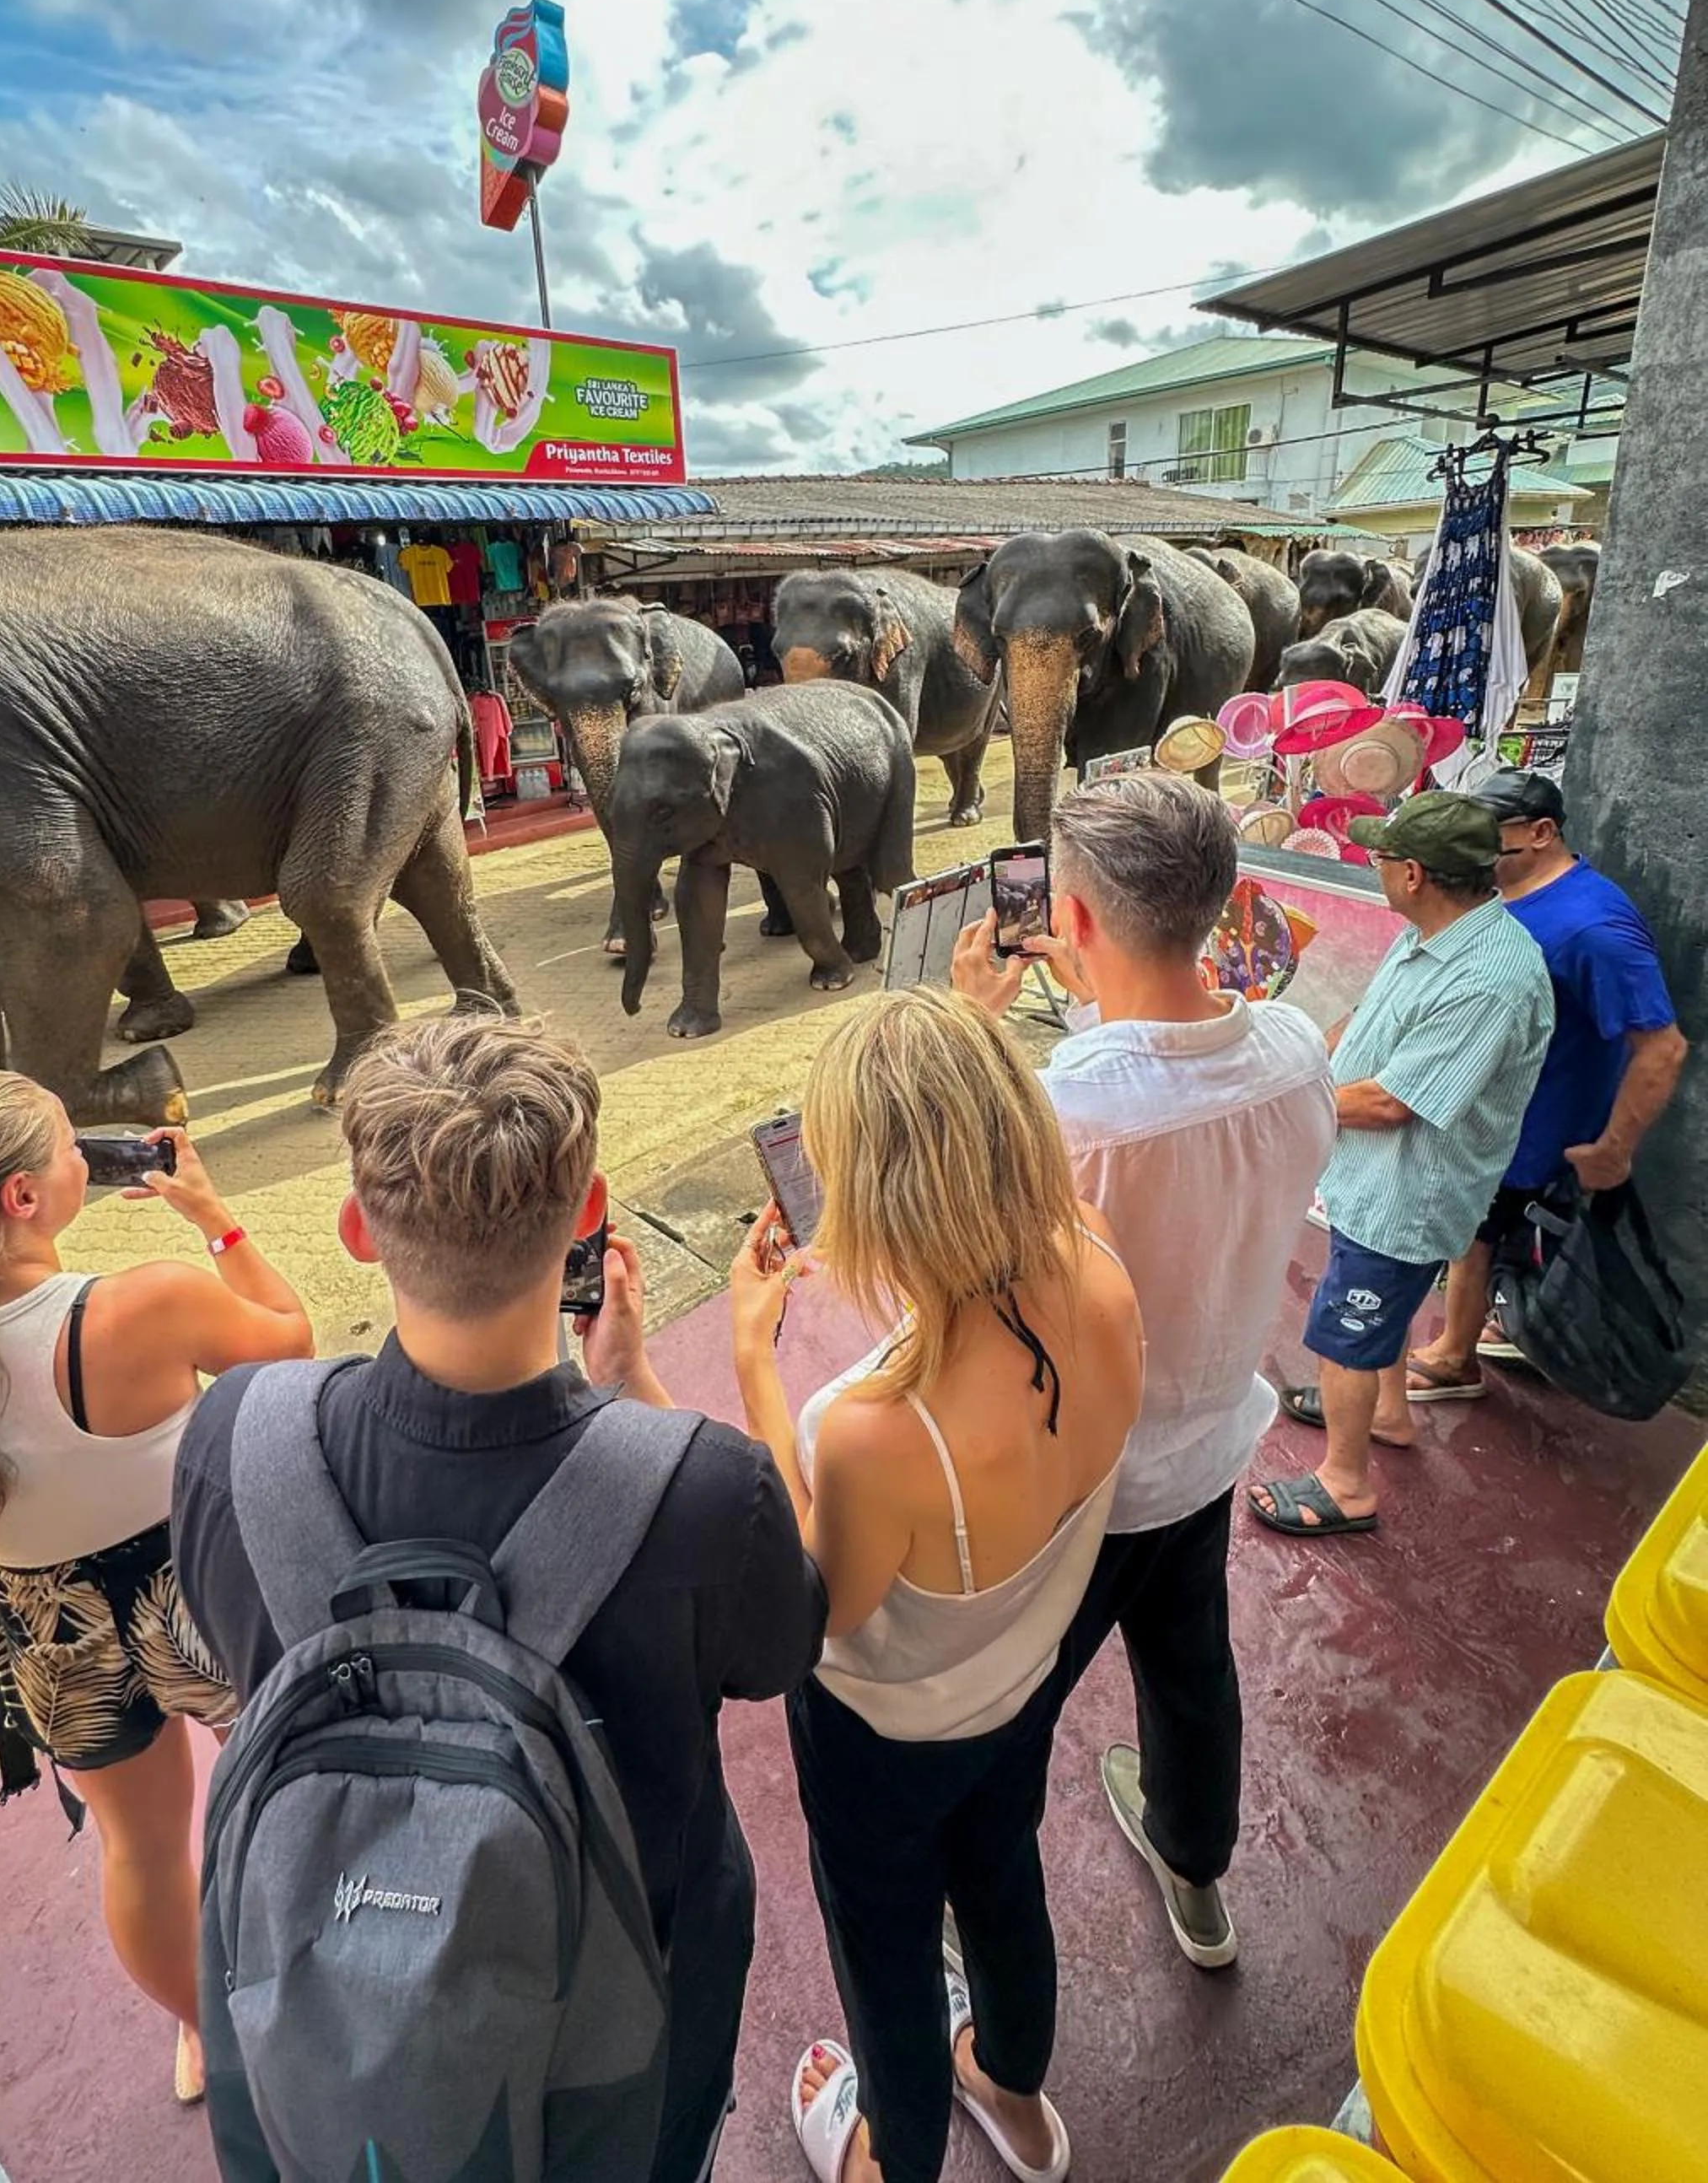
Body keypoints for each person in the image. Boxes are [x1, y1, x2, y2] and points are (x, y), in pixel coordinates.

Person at [171, 1014, 825, 2183]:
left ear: (356, 1232)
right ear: (589, 1212)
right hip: (629, 2002)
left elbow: (235, 1652)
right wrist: (637, 1393)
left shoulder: (236, 1436)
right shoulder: (702, 1489)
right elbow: (782, 1652)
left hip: (318, 1987)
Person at [0, 1075, 313, 2103]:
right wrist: (215, 1218)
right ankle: (336, 1973)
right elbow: (291, 1341)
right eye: (65, 1144)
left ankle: (205, 2032)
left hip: (45, 1625)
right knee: (291, 1785)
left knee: (139, 1847)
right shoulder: (143, 1303)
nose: (86, 1153)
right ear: (22, 1199)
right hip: (198, 1590)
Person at [725, 989, 1145, 2183]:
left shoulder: (869, 1430)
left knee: (885, 1942)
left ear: (872, 1197)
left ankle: (893, 2152)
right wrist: (949, 1044)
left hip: (885, 1737)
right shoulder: (1098, 1257)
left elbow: (813, 1615)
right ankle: (1013, 2092)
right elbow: (1000, 1174)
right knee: (1003, 1878)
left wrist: (753, 1362)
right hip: (1022, 1686)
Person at [953, 772, 1335, 1973]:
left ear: (1065, 922)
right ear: (1219, 903)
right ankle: (1195, 1866)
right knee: (1188, 1667)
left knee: (1008, 1707)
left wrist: (972, 1032)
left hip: (1082, 1488)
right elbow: (1173, 1059)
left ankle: (977, 1916)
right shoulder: (1292, 1047)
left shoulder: (1059, 1114)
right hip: (1212, 1442)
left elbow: (965, 1273)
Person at [1247, 794, 1552, 1540]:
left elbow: (1394, 1103)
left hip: (1406, 1190)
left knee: (1344, 1333)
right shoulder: (1430, 934)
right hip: (1371, 1179)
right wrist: (1299, 1061)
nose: (1375, 866)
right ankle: (1385, 1413)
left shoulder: (1490, 979)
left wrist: (1279, 1098)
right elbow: (1368, 1021)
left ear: (1413, 873)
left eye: (1381, 857)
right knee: (1368, 1311)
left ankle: (1345, 1484)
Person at [1407, 769, 1686, 1399]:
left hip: (1538, 1127)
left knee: (1473, 1236)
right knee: (1491, 1235)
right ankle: (1507, 1325)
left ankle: (1454, 1357)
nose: (1475, 844)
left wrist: (1614, 1147)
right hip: (1503, 1113)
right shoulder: (1505, 894)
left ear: (1540, 832)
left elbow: (1662, 1048)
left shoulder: (1594, 926)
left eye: (1489, 831)